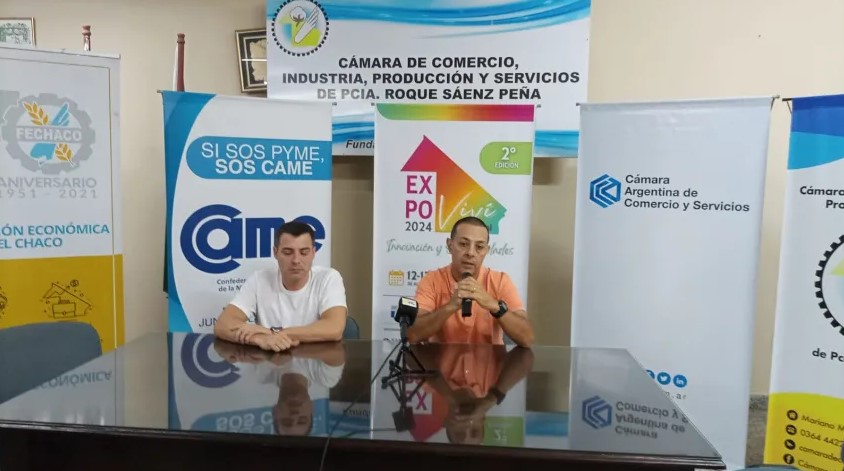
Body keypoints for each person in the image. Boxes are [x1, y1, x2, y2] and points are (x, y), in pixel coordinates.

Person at [214, 221, 347, 352]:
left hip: (316, 360)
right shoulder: (259, 279)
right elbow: (223, 325)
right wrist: (259, 338)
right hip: (270, 360)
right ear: (275, 252)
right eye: (288, 252)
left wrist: (270, 333)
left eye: (304, 252)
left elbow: (334, 329)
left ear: (313, 253)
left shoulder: (328, 278)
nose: (296, 260)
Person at [408, 216, 534, 347]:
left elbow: (527, 338)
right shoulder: (431, 280)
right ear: (450, 245)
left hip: (490, 360)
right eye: (463, 244)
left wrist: (494, 306)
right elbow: (412, 335)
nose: (470, 253)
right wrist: (450, 307)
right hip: (440, 360)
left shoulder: (501, 281)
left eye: (479, 247)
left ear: (486, 251)